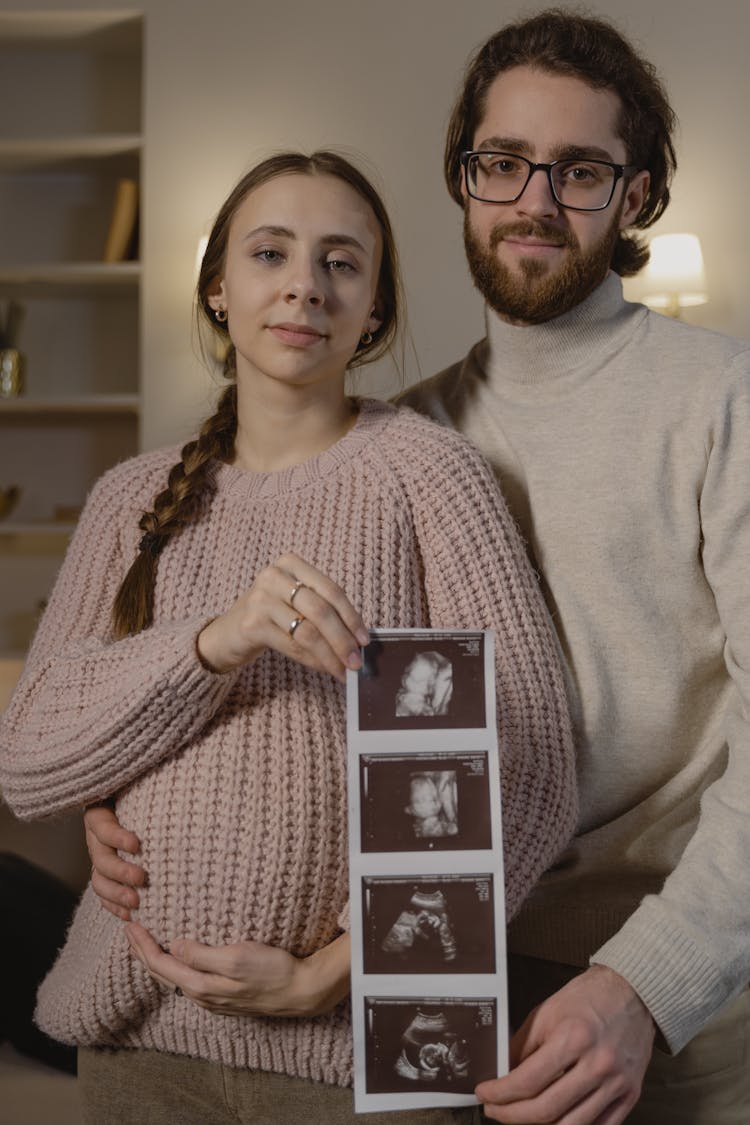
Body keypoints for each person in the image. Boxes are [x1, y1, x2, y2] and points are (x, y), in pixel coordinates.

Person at [0, 150, 576, 1124]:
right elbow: (29, 767)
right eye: (271, 253)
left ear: (376, 309)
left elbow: (530, 770)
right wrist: (211, 644)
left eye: (342, 262)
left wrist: (336, 973)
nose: (306, 284)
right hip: (139, 1045)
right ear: (219, 288)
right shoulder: (131, 500)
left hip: (365, 1060)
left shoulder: (430, 478)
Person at [395, 10, 749, 1125]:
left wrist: (646, 984)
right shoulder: (401, 433)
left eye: (580, 171)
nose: (535, 203)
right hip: (439, 971)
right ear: (465, 178)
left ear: (633, 198)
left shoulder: (719, 397)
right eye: (503, 164)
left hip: (672, 998)